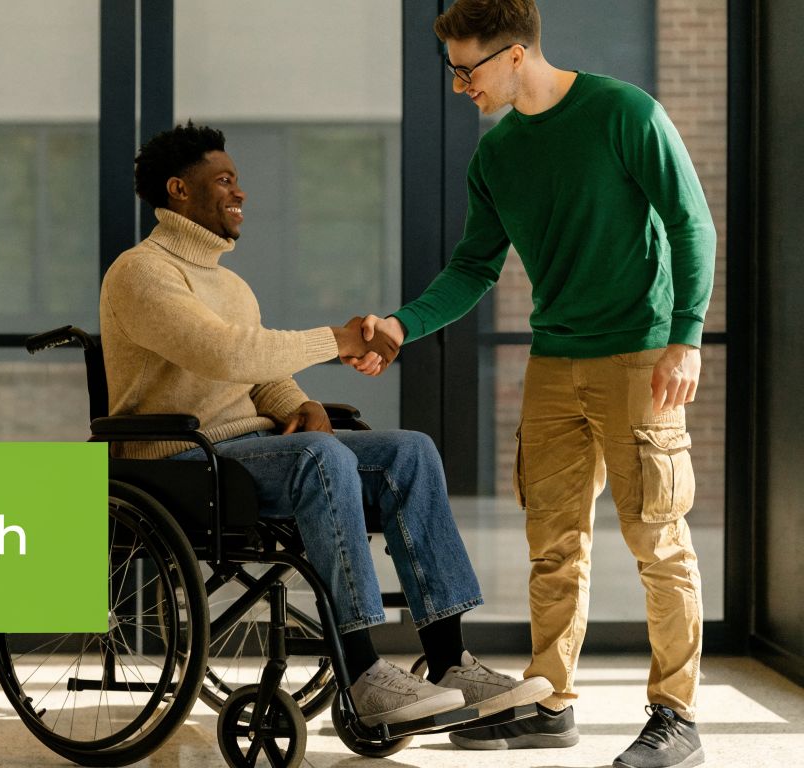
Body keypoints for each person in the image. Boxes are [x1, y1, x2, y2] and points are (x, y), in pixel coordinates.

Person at [99, 121, 551, 728]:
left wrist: (296, 404)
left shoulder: (230, 283)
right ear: (178, 190)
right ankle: (362, 671)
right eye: (225, 180)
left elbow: (254, 374)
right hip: (177, 458)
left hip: (248, 451)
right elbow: (223, 353)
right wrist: (334, 341)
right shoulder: (141, 272)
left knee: (409, 451)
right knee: (323, 457)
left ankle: (449, 661)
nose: (241, 193)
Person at [355, 2, 713, 766]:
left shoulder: (624, 113)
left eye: (466, 68)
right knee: (553, 546)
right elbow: (473, 267)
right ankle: (551, 701)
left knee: (658, 541)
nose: (458, 86)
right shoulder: (498, 158)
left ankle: (675, 715)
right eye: (451, 70)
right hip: (553, 363)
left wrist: (685, 339)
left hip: (639, 359)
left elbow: (690, 223)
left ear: (515, 54)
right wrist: (402, 325)